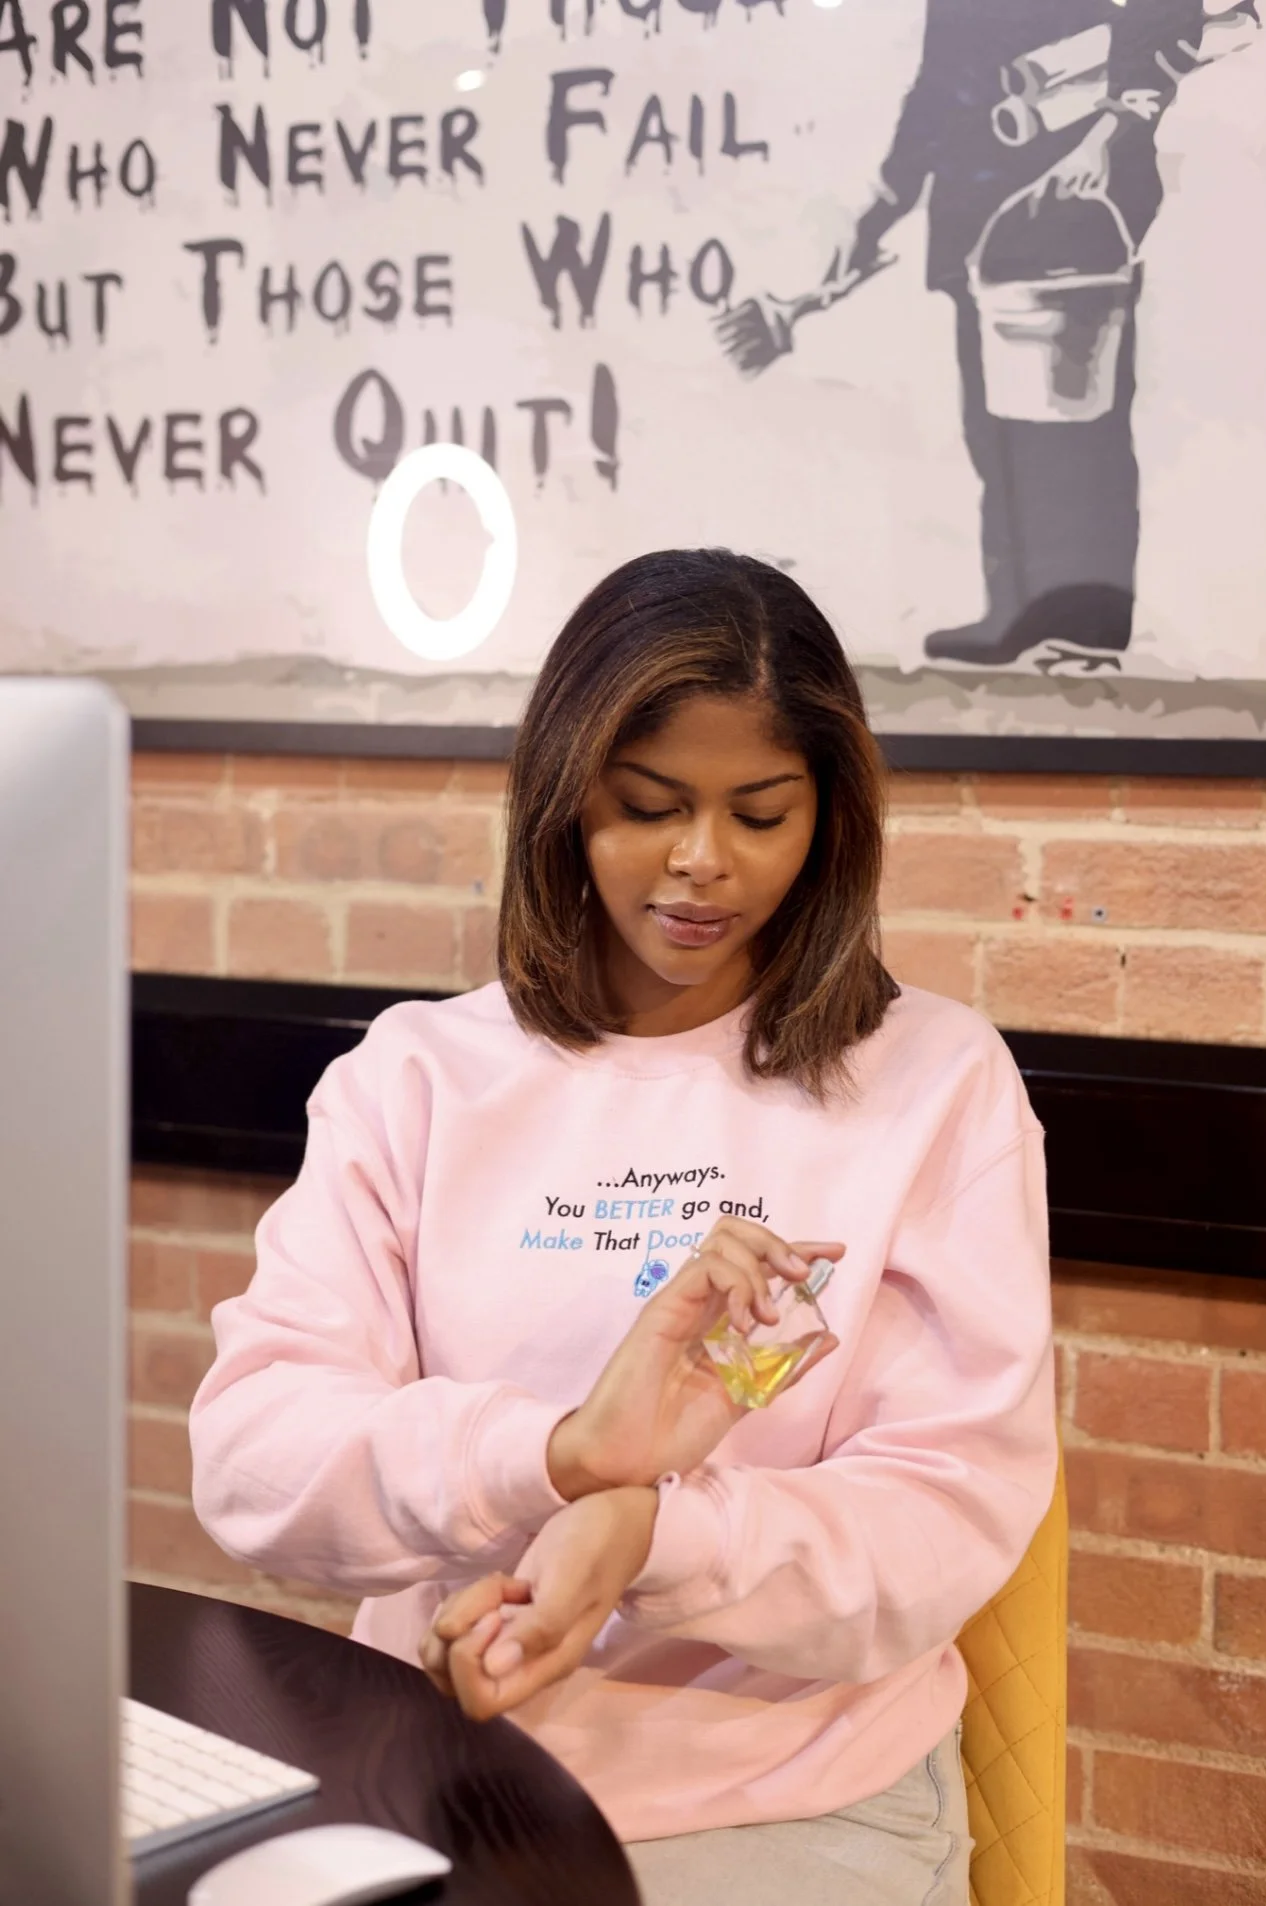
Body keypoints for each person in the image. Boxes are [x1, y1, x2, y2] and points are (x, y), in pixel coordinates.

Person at [190, 549, 1056, 1906]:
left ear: (828, 818)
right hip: (444, 1761)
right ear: (564, 796)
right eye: (649, 806)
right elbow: (255, 1456)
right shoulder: (418, 1078)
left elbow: (940, 1514)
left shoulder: (932, 1082)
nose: (704, 861)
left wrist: (651, 1537)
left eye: (760, 814)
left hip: (787, 1798)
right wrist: (554, 1456)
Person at [718, 0, 1259, 670]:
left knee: (1082, 424)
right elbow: (937, 92)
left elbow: (1164, 17)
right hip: (974, 221)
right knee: (994, 430)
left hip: (1083, 198)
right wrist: (882, 209)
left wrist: (1109, 132)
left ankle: (1091, 629)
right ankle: (1016, 612)